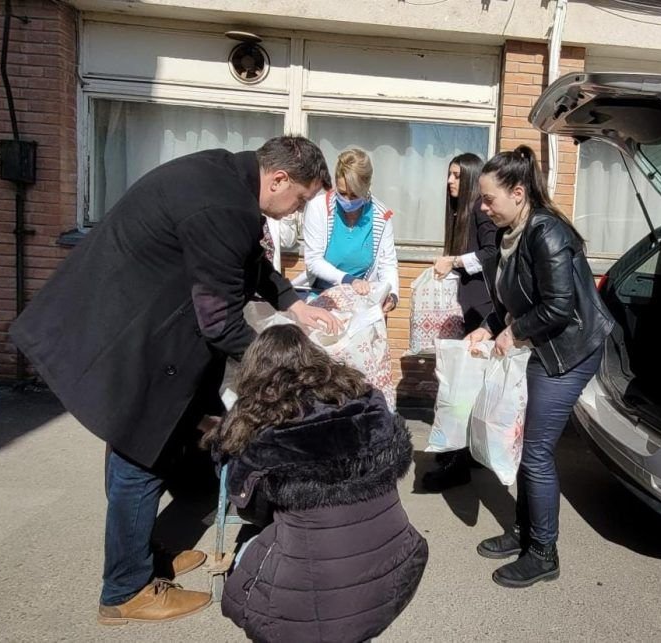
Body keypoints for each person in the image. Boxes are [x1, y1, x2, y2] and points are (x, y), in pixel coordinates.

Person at [9, 136, 341, 624]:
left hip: (123, 319)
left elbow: (245, 264)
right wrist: (284, 371)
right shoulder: (227, 207)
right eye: (301, 200)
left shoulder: (222, 173)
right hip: (128, 336)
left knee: (143, 449)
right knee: (142, 455)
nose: (297, 212)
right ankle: (125, 590)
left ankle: (144, 553)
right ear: (278, 179)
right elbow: (221, 321)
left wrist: (292, 302)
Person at [208, 325, 428, 643]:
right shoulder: (366, 399)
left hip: (316, 595)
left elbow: (251, 511)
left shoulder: (262, 432)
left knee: (247, 547)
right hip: (397, 566)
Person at [465, 145, 615, 588]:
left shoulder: (546, 232)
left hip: (571, 349)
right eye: (481, 198)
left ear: (517, 192)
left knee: (535, 451)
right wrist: (491, 326)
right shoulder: (508, 234)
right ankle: (524, 531)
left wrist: (514, 332)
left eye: (489, 198)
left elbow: (559, 307)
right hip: (545, 343)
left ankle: (543, 552)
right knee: (529, 444)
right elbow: (515, 299)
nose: (482, 206)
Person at [421, 152, 497, 493]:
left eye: (456, 175)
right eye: (448, 174)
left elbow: (490, 255)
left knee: (463, 389)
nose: (450, 181)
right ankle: (464, 455)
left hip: (484, 311)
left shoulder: (481, 210)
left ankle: (458, 463)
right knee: (467, 388)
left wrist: (453, 261)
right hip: (473, 308)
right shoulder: (462, 212)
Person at [298, 148, 399, 312]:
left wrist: (392, 294)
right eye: (342, 192)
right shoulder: (318, 207)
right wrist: (348, 280)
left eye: (354, 195)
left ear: (367, 187)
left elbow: (387, 263)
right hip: (321, 296)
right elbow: (313, 261)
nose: (347, 200)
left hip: (364, 302)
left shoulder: (381, 215)